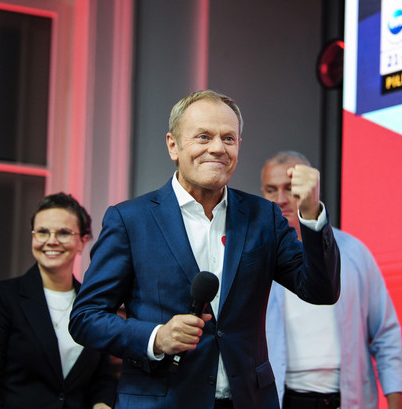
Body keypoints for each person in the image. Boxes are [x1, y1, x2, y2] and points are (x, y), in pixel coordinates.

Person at [69, 89, 341, 409]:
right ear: (174, 145)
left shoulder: (263, 217)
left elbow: (321, 290)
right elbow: (86, 318)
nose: (217, 148)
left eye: (228, 138)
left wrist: (310, 214)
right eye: (203, 136)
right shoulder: (130, 220)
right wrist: (156, 337)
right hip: (164, 400)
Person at [262, 151, 402, 409]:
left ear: (311, 188)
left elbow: (386, 336)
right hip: (282, 399)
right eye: (271, 190)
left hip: (348, 399)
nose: (281, 199)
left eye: (291, 188)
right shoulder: (256, 256)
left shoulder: (354, 252)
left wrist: (396, 402)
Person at [0, 193, 117, 409]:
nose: (51, 241)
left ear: (83, 241)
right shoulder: (1, 297)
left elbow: (103, 377)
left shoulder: (94, 303)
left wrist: (102, 403)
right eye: (42, 232)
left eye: (63, 232)